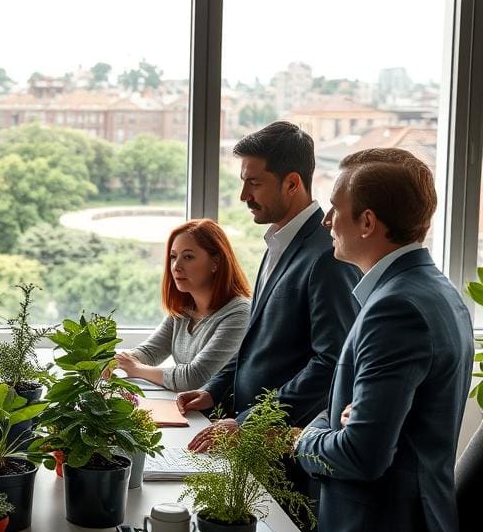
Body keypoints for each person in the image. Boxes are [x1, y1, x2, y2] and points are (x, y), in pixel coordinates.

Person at [294, 148, 473, 532]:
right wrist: (338, 422)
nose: (326, 219)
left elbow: (362, 454)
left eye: (335, 207)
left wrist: (307, 436)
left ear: (367, 221)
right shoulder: (431, 289)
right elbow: (348, 420)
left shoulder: (396, 307)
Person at [179, 121, 361, 453]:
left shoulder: (327, 256)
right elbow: (256, 343)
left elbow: (330, 363)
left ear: (292, 183)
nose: (243, 195)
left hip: (285, 447)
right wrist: (214, 389)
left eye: (254, 183)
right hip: (247, 435)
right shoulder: (277, 242)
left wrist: (249, 422)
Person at [114, 219, 250, 391]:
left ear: (216, 262)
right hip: (188, 410)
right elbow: (150, 352)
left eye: (188, 257)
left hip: (220, 416)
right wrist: (117, 362)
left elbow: (195, 378)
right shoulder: (183, 310)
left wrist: (136, 369)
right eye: (173, 257)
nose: (176, 266)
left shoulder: (239, 314)